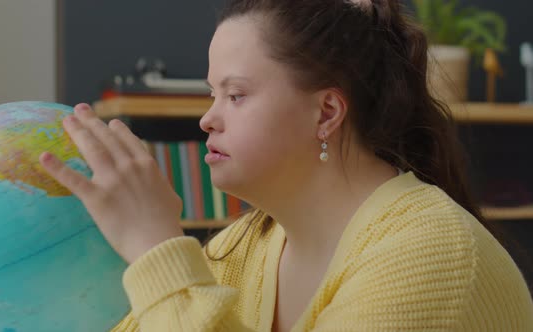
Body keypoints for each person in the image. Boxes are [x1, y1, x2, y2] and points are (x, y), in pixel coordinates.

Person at [40, 0, 533, 330]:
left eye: (235, 95)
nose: (208, 119)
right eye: (212, 94)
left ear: (327, 112)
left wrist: (155, 247)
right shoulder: (245, 247)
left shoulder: (432, 255)